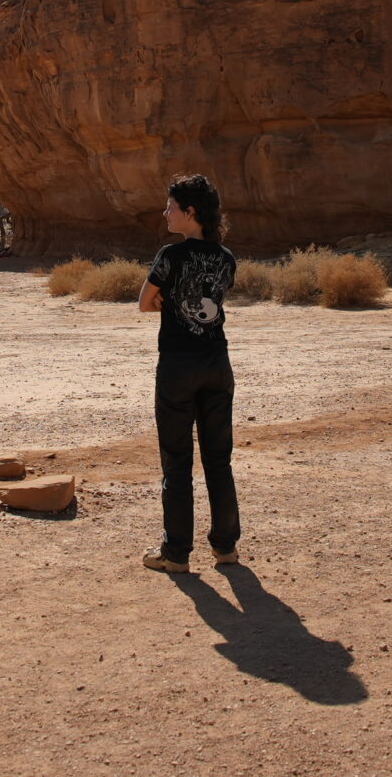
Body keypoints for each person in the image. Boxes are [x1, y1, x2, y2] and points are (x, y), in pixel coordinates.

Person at [137, 173, 240, 572]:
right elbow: (208, 299)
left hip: (178, 363)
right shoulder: (226, 257)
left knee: (176, 461)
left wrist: (171, 299)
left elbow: (145, 304)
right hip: (217, 362)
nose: (165, 213)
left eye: (171, 207)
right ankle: (226, 548)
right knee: (219, 459)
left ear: (190, 211)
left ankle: (176, 553)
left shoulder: (170, 255)